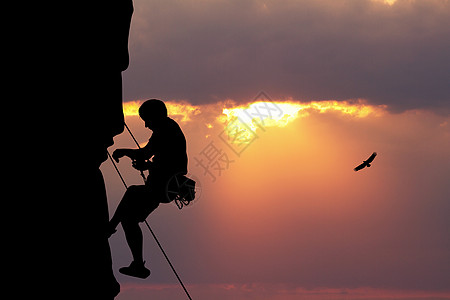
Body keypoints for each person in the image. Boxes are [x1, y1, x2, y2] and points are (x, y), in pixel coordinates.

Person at [109, 99, 188, 279]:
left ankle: (109, 228)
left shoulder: (165, 130)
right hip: (163, 185)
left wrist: (123, 151)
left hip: (165, 185)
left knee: (132, 192)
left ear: (156, 116)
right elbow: (158, 159)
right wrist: (148, 166)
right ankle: (138, 265)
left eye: (147, 120)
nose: (145, 125)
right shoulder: (167, 128)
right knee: (129, 219)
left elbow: (145, 154)